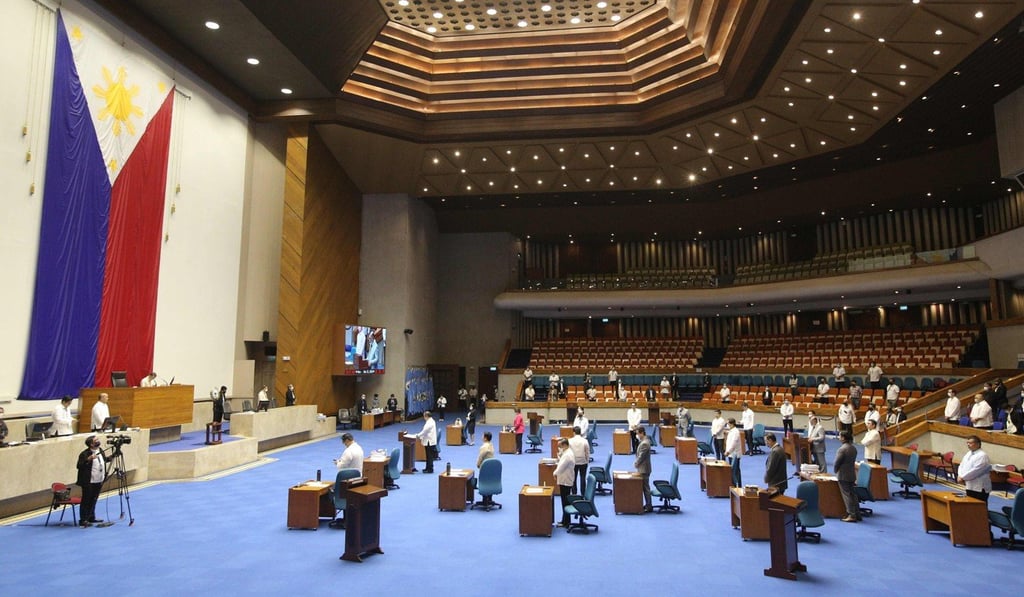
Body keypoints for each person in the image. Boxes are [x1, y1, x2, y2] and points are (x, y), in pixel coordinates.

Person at [76, 435, 107, 526]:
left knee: (94, 499)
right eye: (96, 440)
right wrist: (88, 459)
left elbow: (104, 460)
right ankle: (83, 519)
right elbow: (79, 466)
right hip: (88, 481)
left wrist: (113, 456)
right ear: (91, 444)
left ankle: (91, 517)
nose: (98, 441)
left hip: (98, 479)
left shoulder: (100, 450)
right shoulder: (85, 454)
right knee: (86, 500)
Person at [834, 430, 860, 522]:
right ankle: (857, 513)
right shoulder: (853, 448)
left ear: (844, 438)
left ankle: (851, 515)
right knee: (853, 494)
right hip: (851, 474)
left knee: (846, 495)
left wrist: (835, 470)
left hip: (843, 475)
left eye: (840, 436)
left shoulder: (842, 449)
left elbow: (837, 463)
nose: (839, 438)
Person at [957, 435, 992, 503]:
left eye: (970, 443)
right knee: (970, 505)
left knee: (980, 506)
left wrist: (963, 478)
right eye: (967, 443)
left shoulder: (982, 455)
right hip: (969, 484)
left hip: (979, 487)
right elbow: (961, 465)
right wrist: (959, 475)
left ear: (978, 444)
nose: (968, 444)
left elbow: (976, 471)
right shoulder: (968, 453)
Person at [554, 437, 575, 528]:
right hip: (566, 479)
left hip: (566, 480)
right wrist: (560, 456)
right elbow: (562, 462)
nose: (560, 447)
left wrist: (554, 473)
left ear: (565, 445)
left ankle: (566, 522)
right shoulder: (567, 452)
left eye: (561, 446)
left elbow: (561, 466)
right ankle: (565, 520)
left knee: (565, 501)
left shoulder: (567, 455)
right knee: (564, 501)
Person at [634, 426, 653, 513]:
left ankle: (649, 506)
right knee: (645, 487)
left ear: (642, 433)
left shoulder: (645, 443)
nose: (637, 435)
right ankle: (648, 504)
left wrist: (636, 463)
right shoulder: (643, 441)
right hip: (643, 468)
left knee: (645, 488)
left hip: (644, 469)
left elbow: (641, 456)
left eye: (638, 433)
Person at [569, 426, 590, 493]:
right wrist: (587, 460)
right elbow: (587, 452)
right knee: (583, 477)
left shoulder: (570, 441)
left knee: (573, 478)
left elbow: (568, 452)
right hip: (583, 462)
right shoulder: (585, 441)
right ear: (580, 432)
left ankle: (574, 493)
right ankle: (583, 493)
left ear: (574, 432)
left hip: (573, 462)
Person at [725, 418, 743, 487]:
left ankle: (738, 486)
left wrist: (728, 452)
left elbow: (733, 443)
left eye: (728, 423)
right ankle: (734, 485)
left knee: (735, 471)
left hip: (735, 454)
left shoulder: (736, 432)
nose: (727, 425)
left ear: (732, 424)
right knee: (732, 471)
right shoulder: (731, 431)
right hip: (731, 454)